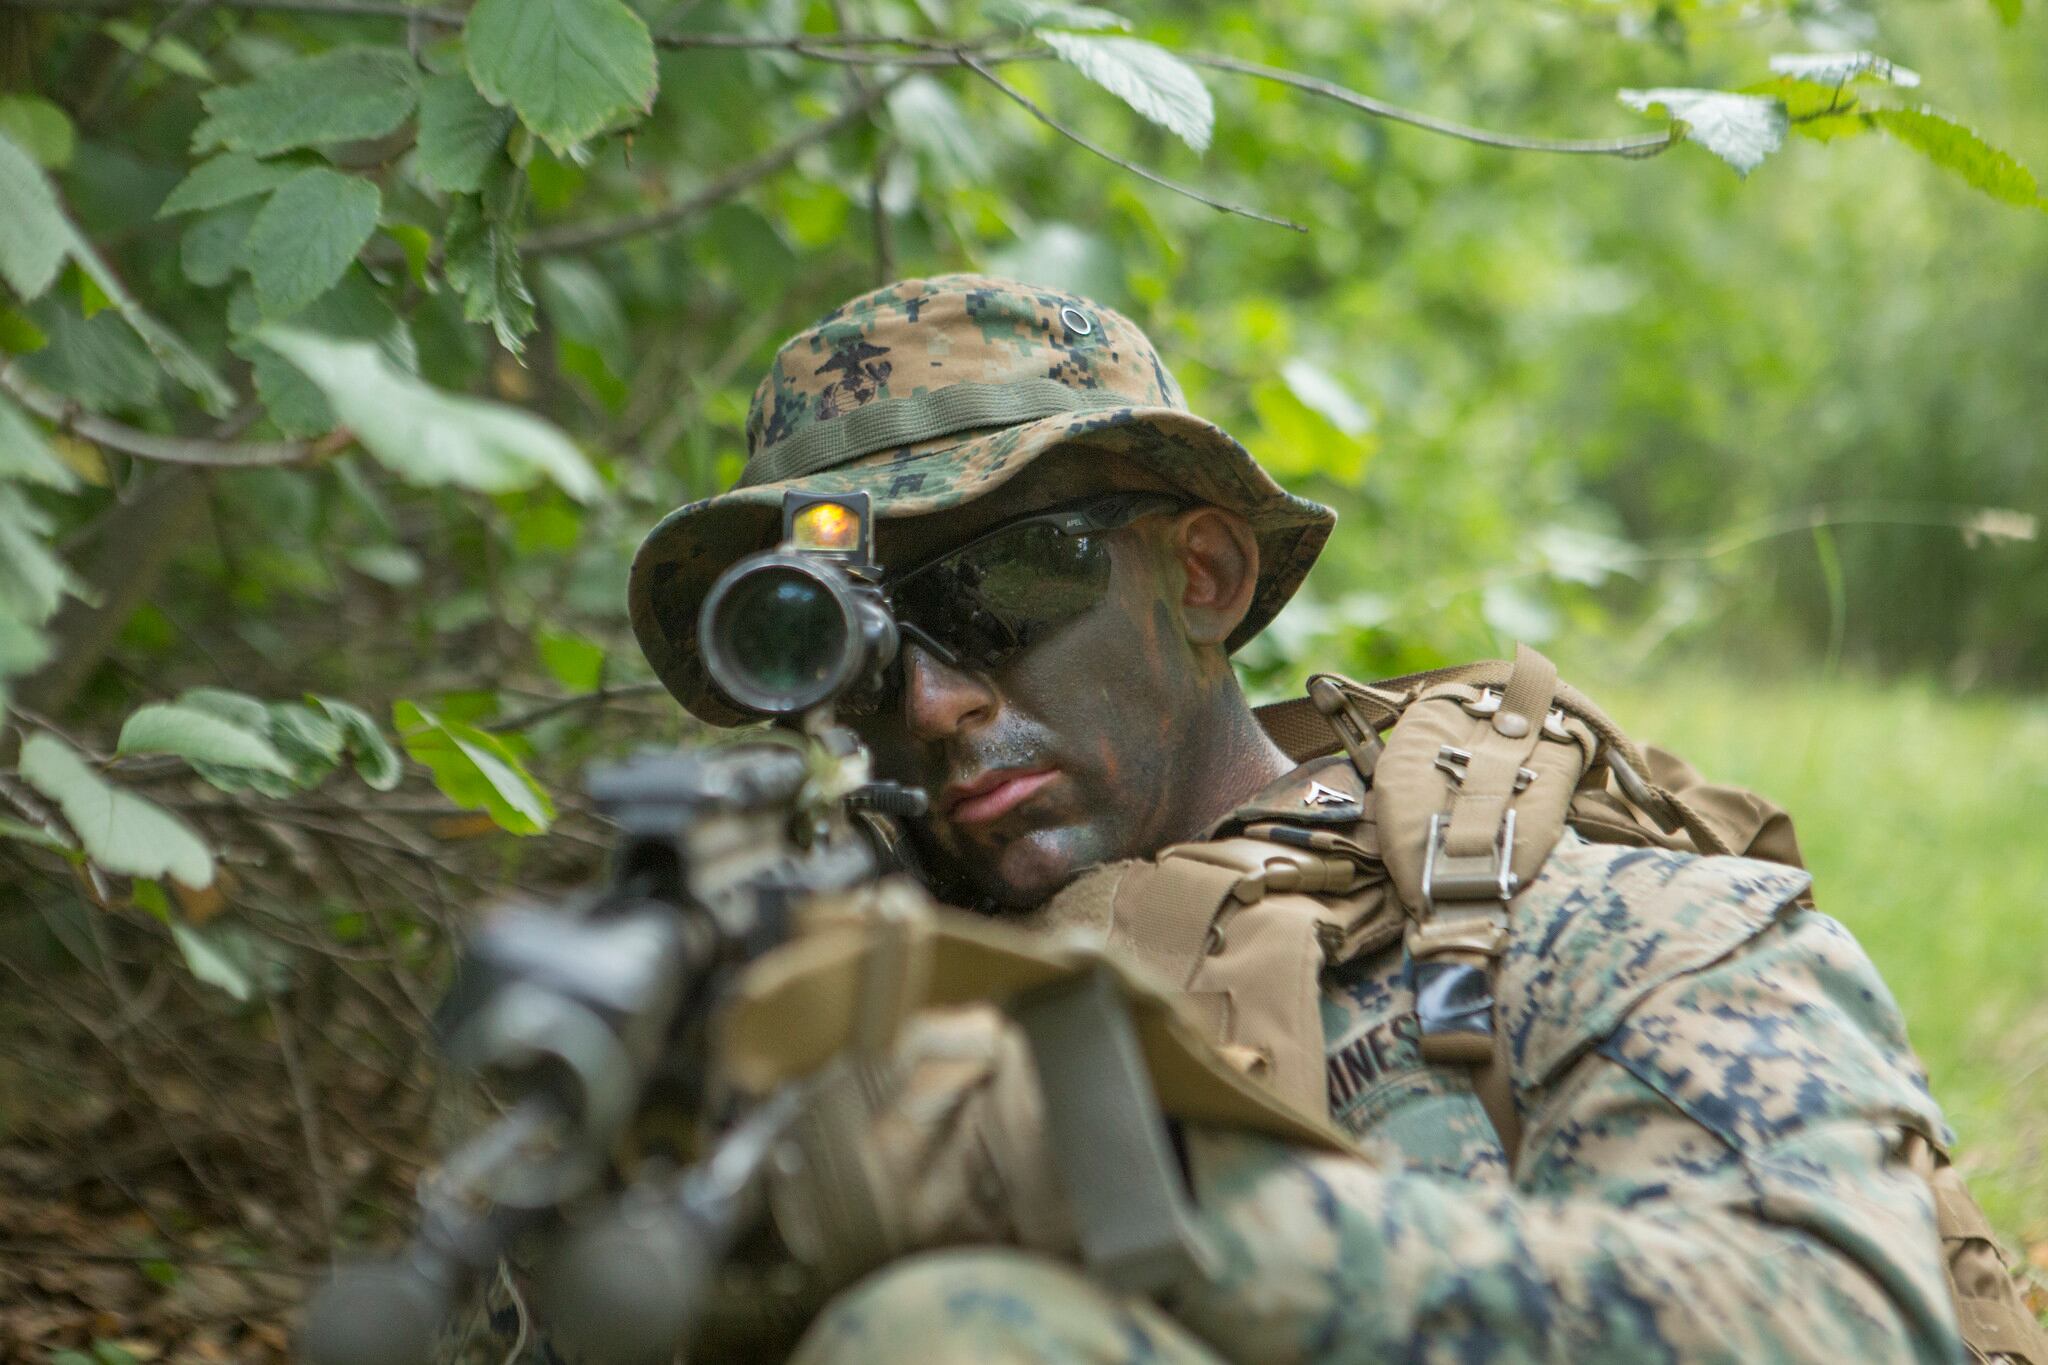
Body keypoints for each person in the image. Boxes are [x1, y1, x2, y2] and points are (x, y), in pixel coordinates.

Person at [625, 274, 2002, 1363]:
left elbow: (1839, 1327)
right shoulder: (812, 998)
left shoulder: (1558, 917)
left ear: (1204, 573)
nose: (929, 702)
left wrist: (1097, 1173)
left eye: (1000, 586)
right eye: (856, 649)